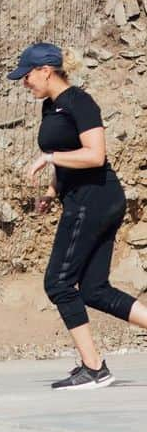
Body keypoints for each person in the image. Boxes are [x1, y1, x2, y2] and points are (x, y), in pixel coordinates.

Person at [10, 42, 147, 390]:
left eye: (26, 76)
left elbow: (95, 155)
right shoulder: (50, 107)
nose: (25, 83)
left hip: (96, 198)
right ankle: (93, 366)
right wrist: (52, 192)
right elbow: (68, 154)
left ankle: (94, 368)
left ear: (46, 70)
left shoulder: (79, 102)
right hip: (84, 199)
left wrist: (50, 158)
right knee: (94, 290)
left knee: (57, 283)